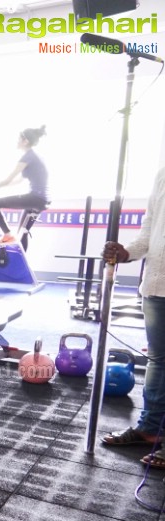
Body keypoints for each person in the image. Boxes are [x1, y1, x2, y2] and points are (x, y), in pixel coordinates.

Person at [102, 166, 165, 463]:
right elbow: (149, 229)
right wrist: (126, 253)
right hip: (156, 283)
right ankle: (150, 429)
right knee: (158, 360)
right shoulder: (162, 173)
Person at [0, 125, 49, 249]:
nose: (17, 141)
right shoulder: (35, 156)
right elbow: (17, 181)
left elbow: (8, 179)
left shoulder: (28, 157)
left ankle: (7, 235)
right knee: (23, 233)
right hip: (41, 199)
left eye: (19, 139)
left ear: (25, 141)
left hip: (36, 198)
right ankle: (22, 265)